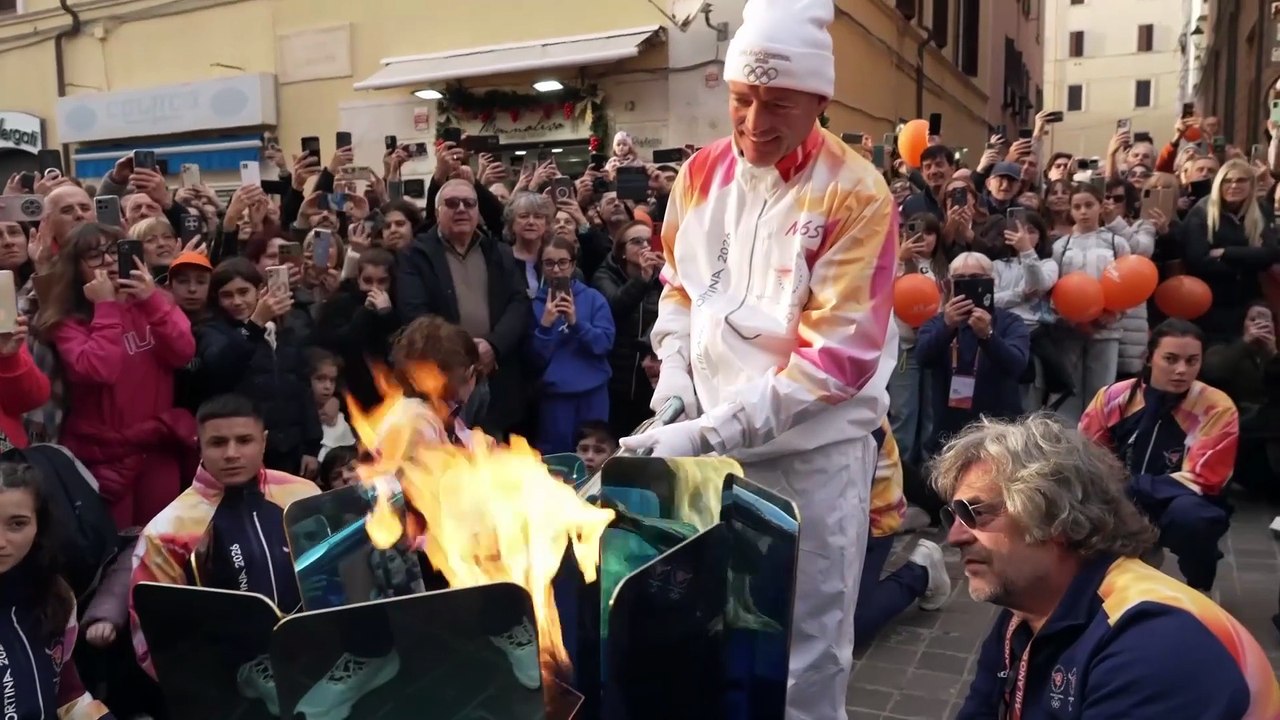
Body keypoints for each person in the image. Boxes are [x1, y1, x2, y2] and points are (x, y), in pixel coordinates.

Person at [620, 0, 899, 716]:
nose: (753, 122)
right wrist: (676, 379)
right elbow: (681, 288)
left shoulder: (856, 193)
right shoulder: (700, 173)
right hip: (714, 455)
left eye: (778, 104)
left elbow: (834, 362)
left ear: (820, 100)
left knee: (804, 656)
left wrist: (705, 433)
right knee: (719, 634)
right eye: (743, 99)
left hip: (813, 463)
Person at [936, 415, 1280, 719]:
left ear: (1054, 517)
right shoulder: (1026, 605)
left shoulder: (1152, 646)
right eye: (953, 516)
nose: (954, 537)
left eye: (975, 513)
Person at [1079, 319, 1237, 592]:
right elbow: (1086, 455)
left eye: (1192, 361)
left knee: (1192, 519)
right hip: (1119, 497)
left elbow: (1206, 477)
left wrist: (1135, 486)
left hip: (1177, 501)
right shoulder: (1114, 397)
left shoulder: (1216, 407)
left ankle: (1200, 582)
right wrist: (1115, 492)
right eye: (1170, 359)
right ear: (1149, 357)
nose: (1181, 370)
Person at [0, 461, 115, 720]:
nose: (1, 541)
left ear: (39, 526)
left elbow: (68, 695)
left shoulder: (54, 596)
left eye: (17, 524)